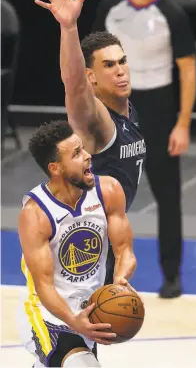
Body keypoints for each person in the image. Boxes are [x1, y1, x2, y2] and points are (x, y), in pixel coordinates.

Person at [93, 0, 196, 298]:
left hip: (159, 107)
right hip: (114, 109)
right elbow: (91, 58)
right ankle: (105, 275)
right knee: (105, 196)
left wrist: (182, 123)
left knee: (168, 197)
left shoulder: (171, 12)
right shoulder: (110, 7)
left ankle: (172, 275)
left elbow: (188, 68)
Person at [34, 0, 146, 290]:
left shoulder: (129, 110)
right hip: (79, 247)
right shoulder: (97, 121)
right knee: (73, 335)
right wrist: (69, 27)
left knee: (99, 335)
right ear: (92, 77)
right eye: (108, 65)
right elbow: (73, 84)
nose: (120, 70)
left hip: (103, 234)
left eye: (122, 61)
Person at [17, 120, 137, 368]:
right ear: (56, 168)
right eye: (76, 154)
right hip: (46, 315)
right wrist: (73, 320)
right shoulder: (36, 214)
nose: (87, 156)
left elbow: (124, 250)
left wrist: (120, 281)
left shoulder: (109, 191)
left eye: (83, 148)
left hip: (89, 310)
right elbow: (44, 286)